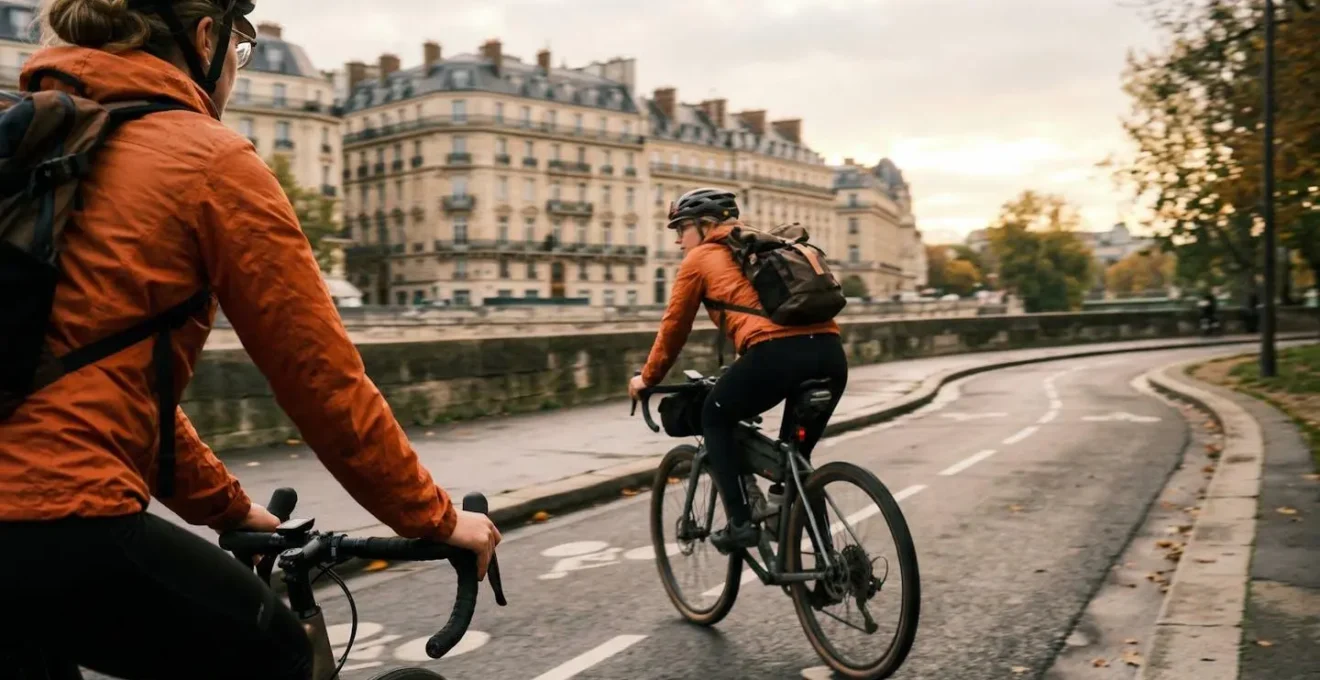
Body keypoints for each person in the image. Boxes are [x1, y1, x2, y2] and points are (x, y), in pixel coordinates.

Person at [0, 1, 499, 678]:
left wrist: (233, 510)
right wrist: (435, 519)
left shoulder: (37, 144)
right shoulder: (207, 159)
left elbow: (109, 381)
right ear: (204, 39)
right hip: (54, 517)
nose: (233, 72)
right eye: (239, 53)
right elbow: (322, 380)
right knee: (278, 653)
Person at [628, 188, 848, 552]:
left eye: (682, 228)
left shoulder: (701, 259)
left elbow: (674, 328)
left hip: (777, 356)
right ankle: (831, 570)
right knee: (798, 464)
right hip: (830, 354)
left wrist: (647, 379)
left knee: (715, 416)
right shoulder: (760, 246)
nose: (679, 239)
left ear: (706, 225)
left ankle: (741, 524)